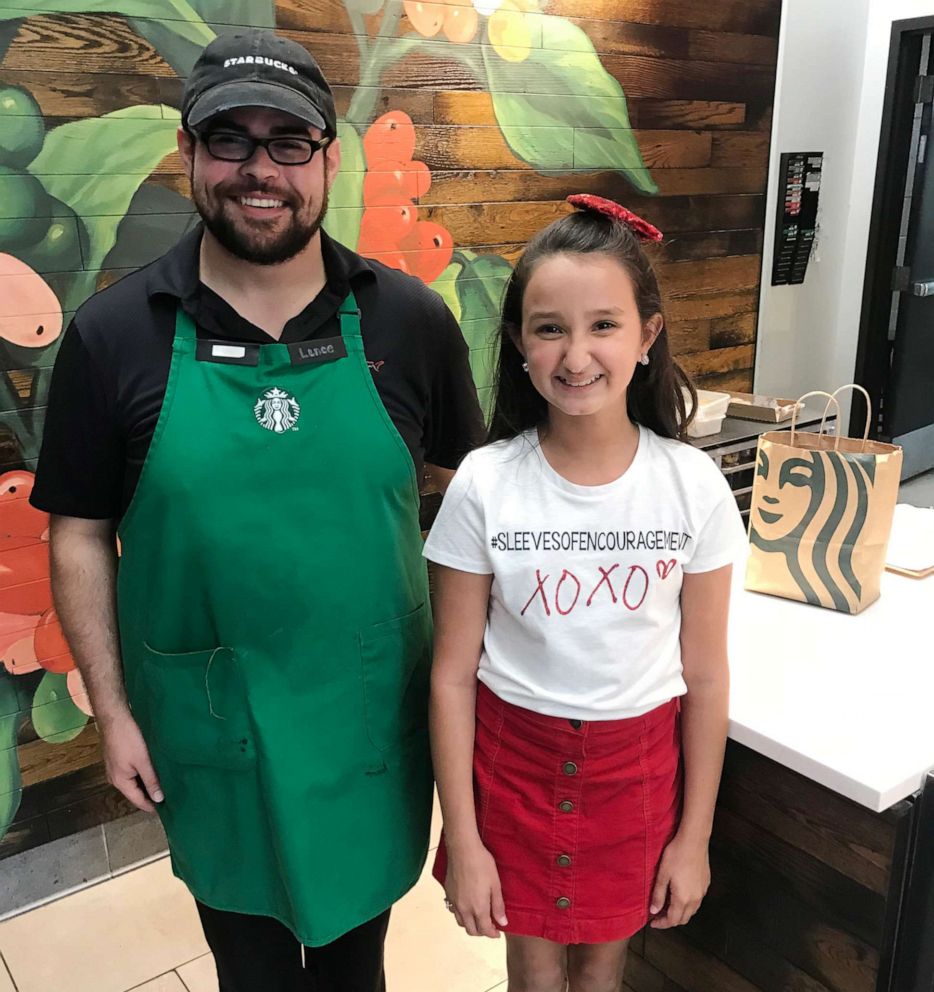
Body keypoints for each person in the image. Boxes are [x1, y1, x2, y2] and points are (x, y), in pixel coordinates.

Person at [30, 28, 483, 992]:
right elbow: (77, 533)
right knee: (251, 966)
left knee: (358, 961)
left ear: (325, 160)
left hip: (371, 721)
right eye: (230, 139)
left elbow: (463, 505)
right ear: (190, 154)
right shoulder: (112, 338)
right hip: (212, 721)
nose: (259, 168)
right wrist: (111, 708)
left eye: (289, 141)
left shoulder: (411, 321)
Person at [423, 195, 747, 992]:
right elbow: (450, 675)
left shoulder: (692, 485)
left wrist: (694, 837)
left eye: (604, 324)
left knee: (603, 975)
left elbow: (705, 677)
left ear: (648, 336)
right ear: (518, 345)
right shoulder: (485, 483)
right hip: (513, 765)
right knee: (532, 974)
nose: (576, 355)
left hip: (637, 770)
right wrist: (462, 840)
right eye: (549, 327)